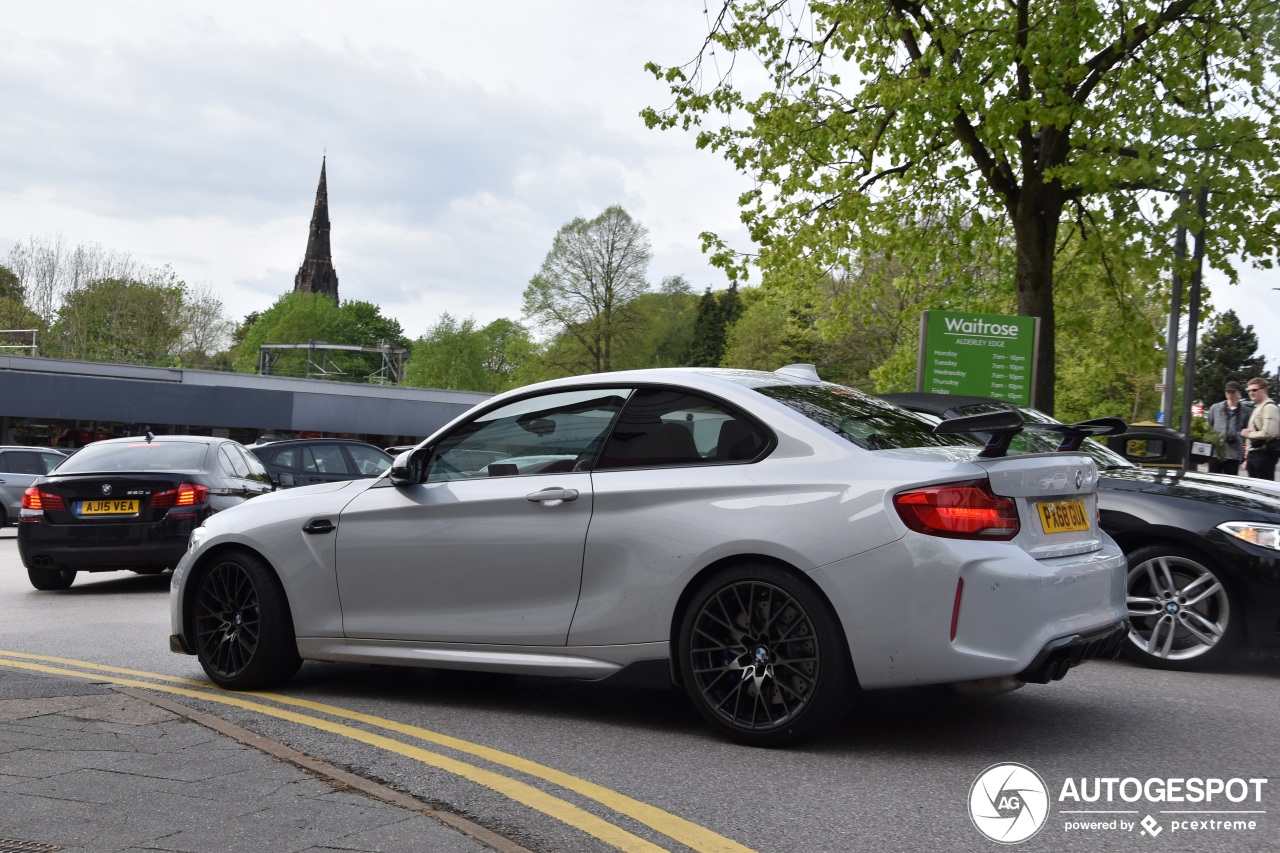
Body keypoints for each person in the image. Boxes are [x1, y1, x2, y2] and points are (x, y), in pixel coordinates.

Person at [1205, 380, 1248, 475]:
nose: (1230, 395)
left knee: (1230, 484)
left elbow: (1247, 433)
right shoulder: (1215, 408)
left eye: (1233, 392)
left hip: (1234, 455)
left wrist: (1237, 437)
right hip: (1216, 453)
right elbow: (1208, 428)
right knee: (1213, 482)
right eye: (1228, 392)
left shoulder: (1246, 411)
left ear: (1239, 392)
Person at [1241, 377, 1279, 481]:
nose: (1251, 393)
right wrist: (1246, 458)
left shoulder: (1269, 407)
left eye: (1254, 390)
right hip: (1254, 455)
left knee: (1263, 491)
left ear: (1264, 390)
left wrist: (1249, 434)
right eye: (1249, 390)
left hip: (1264, 455)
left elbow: (1268, 433)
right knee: (1254, 491)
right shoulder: (1258, 407)